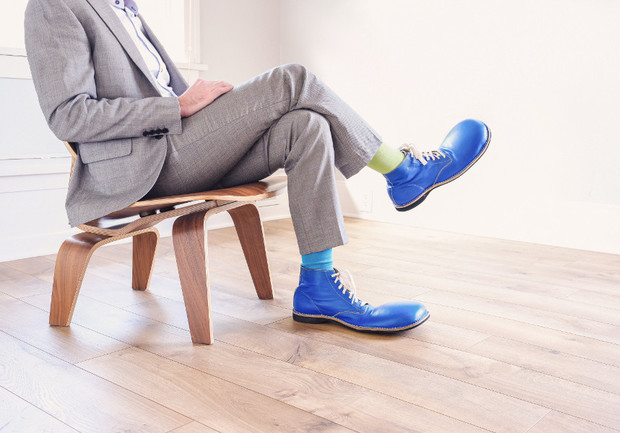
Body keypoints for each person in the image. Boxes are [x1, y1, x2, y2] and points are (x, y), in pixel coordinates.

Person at [25, 0, 490, 333]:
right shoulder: (54, 5)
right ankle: (403, 172)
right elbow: (68, 115)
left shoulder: (124, 6)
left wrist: (200, 109)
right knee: (294, 78)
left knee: (306, 125)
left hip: (177, 144)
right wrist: (179, 108)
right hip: (144, 165)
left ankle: (319, 287)